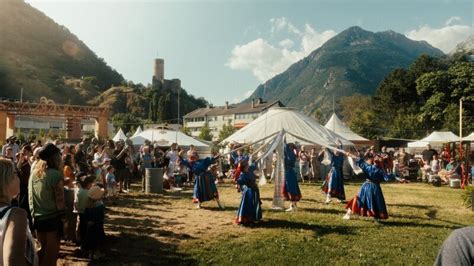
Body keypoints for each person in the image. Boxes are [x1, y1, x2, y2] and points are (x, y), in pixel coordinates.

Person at [28, 143, 65, 266]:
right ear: (55, 158)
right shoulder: (56, 175)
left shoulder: (34, 173)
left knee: (42, 252)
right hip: (52, 219)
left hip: (38, 219)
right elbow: (60, 200)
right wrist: (64, 219)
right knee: (51, 256)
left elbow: (30, 196)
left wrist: (33, 216)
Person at [343, 152, 404, 223]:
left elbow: (359, 160)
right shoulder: (378, 170)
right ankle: (350, 214)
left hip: (368, 186)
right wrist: (350, 155)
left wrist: (350, 155)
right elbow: (388, 177)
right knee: (365, 201)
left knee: (369, 201)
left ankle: (374, 218)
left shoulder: (371, 167)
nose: (377, 159)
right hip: (372, 187)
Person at [0, 158, 38, 265]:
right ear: (6, 179)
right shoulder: (16, 215)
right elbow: (13, 262)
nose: (18, 177)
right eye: (16, 173)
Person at [235, 160, 262, 225]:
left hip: (254, 190)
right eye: (246, 165)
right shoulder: (243, 174)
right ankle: (247, 219)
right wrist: (238, 184)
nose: (248, 166)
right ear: (244, 167)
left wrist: (257, 159)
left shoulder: (249, 170)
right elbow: (239, 181)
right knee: (248, 205)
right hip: (249, 192)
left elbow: (254, 164)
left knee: (254, 203)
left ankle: (253, 218)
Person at [82, 186, 106, 260]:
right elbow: (101, 216)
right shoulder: (99, 206)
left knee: (90, 240)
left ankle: (90, 254)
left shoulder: (87, 206)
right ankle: (97, 254)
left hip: (90, 227)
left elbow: (85, 216)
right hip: (97, 226)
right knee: (97, 241)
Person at [282, 143, 302, 211]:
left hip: (289, 173)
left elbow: (285, 147)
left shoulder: (288, 155)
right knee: (293, 187)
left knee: (291, 188)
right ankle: (294, 205)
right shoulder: (292, 154)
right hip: (291, 173)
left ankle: (292, 206)